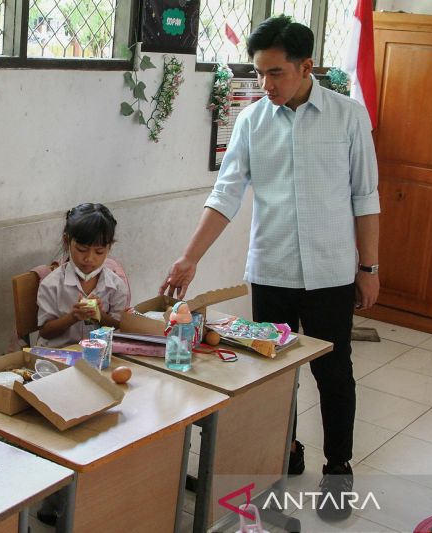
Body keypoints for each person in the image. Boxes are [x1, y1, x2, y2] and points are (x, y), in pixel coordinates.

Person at [160, 15, 379, 521]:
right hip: (273, 271)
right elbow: (226, 194)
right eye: (259, 73)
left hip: (329, 273)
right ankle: (287, 448)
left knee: (332, 371)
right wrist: (189, 257)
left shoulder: (348, 118)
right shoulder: (252, 122)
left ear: (306, 67)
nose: (265, 84)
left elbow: (365, 197)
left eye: (276, 73)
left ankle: (338, 469)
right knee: (275, 373)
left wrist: (368, 265)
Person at [37, 202, 129, 347]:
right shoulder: (51, 284)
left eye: (99, 252)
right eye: (81, 249)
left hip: (98, 357)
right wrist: (72, 317)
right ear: (67, 241)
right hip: (59, 356)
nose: (89, 258)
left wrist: (100, 316)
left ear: (109, 247)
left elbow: (119, 327)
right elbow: (45, 332)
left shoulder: (116, 286)